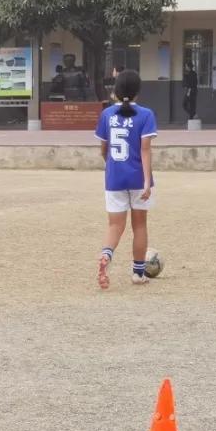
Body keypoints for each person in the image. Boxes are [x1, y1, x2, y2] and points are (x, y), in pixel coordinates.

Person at [94, 70, 158, 289]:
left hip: (114, 178)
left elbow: (104, 150)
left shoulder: (107, 115)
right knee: (139, 225)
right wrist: (147, 182)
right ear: (138, 91)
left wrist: (111, 166)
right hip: (138, 178)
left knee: (114, 225)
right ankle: (138, 273)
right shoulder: (146, 115)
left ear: (116, 91)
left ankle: (106, 255)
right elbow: (145, 150)